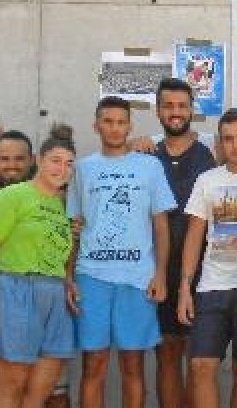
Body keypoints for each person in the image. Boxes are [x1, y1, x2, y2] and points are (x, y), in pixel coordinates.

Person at [68, 97, 175, 408]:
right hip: (91, 277)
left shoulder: (150, 166)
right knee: (94, 365)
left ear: (130, 125)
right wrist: (68, 276)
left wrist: (160, 275)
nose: (114, 128)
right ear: (96, 125)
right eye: (108, 121)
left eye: (121, 122)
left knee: (133, 365)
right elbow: (74, 227)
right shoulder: (82, 169)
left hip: (138, 279)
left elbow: (161, 226)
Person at [0, 125, 77, 408]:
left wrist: (67, 281)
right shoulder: (12, 195)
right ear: (38, 161)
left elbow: (58, 253)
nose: (62, 169)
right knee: (11, 388)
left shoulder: (65, 206)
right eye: (55, 161)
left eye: (69, 164)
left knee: (40, 392)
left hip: (54, 299)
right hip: (14, 292)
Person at [178, 108, 237, 408]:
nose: (236, 145)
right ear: (220, 144)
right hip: (211, 287)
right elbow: (194, 234)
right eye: (228, 139)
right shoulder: (207, 180)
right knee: (201, 367)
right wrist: (185, 288)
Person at [148, 78, 219, 408]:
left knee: (199, 360)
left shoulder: (211, 153)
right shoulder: (147, 154)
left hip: (204, 272)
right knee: (167, 355)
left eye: (182, 106)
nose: (175, 113)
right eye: (168, 106)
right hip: (158, 270)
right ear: (158, 110)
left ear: (192, 110)